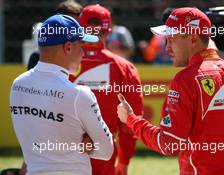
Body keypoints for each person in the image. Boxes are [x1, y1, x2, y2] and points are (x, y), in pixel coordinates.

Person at [117, 7, 224, 175]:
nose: (167, 48)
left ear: (193, 39)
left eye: (171, 39)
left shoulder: (185, 80)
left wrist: (131, 119)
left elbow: (169, 144)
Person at [10, 14, 114, 175]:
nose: (83, 53)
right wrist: (88, 145)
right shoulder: (79, 94)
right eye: (81, 45)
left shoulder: (17, 84)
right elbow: (106, 151)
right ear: (68, 47)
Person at [69, 4, 144, 175]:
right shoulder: (124, 68)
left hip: (62, 152)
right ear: (108, 31)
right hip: (103, 154)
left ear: (79, 27)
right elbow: (130, 122)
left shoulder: (61, 62)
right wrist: (124, 162)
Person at [27, 0, 83, 70]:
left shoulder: (86, 55)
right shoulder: (38, 58)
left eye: (78, 25)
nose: (74, 29)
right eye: (69, 24)